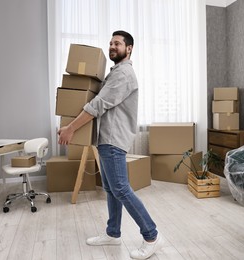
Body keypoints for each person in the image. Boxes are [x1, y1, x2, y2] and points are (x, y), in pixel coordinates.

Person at [58, 30, 164, 259]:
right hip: (106, 139)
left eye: (117, 43)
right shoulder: (114, 73)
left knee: (121, 189)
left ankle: (152, 236)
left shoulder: (124, 74)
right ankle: (113, 233)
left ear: (130, 48)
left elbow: (98, 105)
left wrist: (71, 128)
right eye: (110, 43)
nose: (112, 46)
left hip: (114, 139)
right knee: (111, 189)